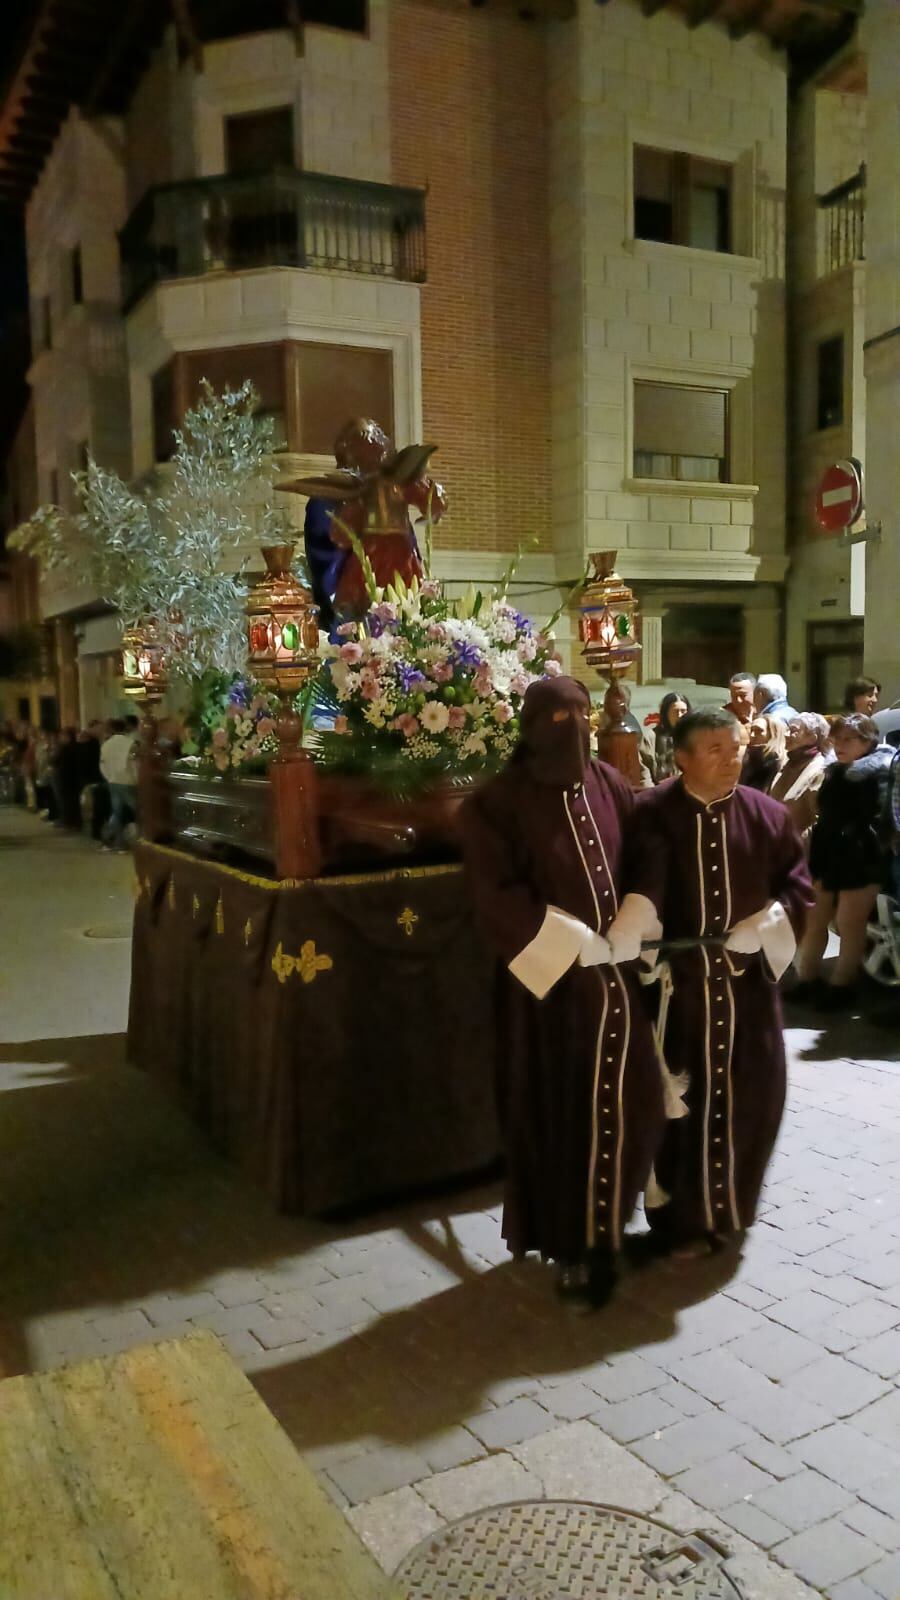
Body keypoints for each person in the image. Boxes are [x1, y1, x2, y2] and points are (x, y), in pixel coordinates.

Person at [461, 675, 666, 1305]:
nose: (574, 727)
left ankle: (614, 1226)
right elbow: (495, 897)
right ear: (530, 725)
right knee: (563, 1115)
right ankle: (570, 1245)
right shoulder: (495, 802)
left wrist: (635, 916)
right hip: (547, 996)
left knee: (627, 1107)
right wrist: (571, 941)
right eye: (558, 717)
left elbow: (647, 857)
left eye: (582, 713)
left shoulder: (609, 783)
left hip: (618, 985)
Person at [611, 708, 813, 1256]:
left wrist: (766, 923)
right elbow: (626, 888)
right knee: (680, 1105)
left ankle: (729, 1212)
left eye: (738, 746)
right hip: (676, 997)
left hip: (748, 993)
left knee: (754, 1100)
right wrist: (640, 938)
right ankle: (677, 1222)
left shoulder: (768, 816)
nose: (732, 759)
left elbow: (798, 888)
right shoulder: (648, 814)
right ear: (681, 757)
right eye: (716, 750)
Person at [794, 713, 894, 1009]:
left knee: (851, 923)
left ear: (868, 740)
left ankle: (842, 986)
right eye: (836, 738)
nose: (839, 744)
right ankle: (807, 979)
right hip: (828, 851)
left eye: (848, 738)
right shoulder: (834, 771)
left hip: (860, 853)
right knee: (815, 919)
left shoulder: (881, 772)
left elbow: (882, 818)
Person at [769, 713, 830, 849]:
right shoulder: (786, 765)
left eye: (794, 731)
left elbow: (820, 823)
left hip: (799, 854)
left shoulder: (819, 771)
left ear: (812, 738)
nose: (786, 735)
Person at [100, 717, 138, 849]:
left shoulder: (106, 744)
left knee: (117, 812)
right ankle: (142, 840)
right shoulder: (131, 743)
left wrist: (109, 777)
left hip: (113, 781)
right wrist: (136, 779)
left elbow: (103, 764)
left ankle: (117, 843)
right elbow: (134, 764)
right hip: (128, 781)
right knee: (139, 810)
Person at [648, 692, 691, 783]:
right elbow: (644, 773)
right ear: (666, 714)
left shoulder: (695, 736)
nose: (679, 715)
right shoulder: (651, 737)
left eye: (683, 711)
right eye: (675, 711)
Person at [740, 714, 787, 793]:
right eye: (752, 731)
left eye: (759, 731)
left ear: (773, 734)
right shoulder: (747, 759)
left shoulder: (779, 763)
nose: (752, 735)